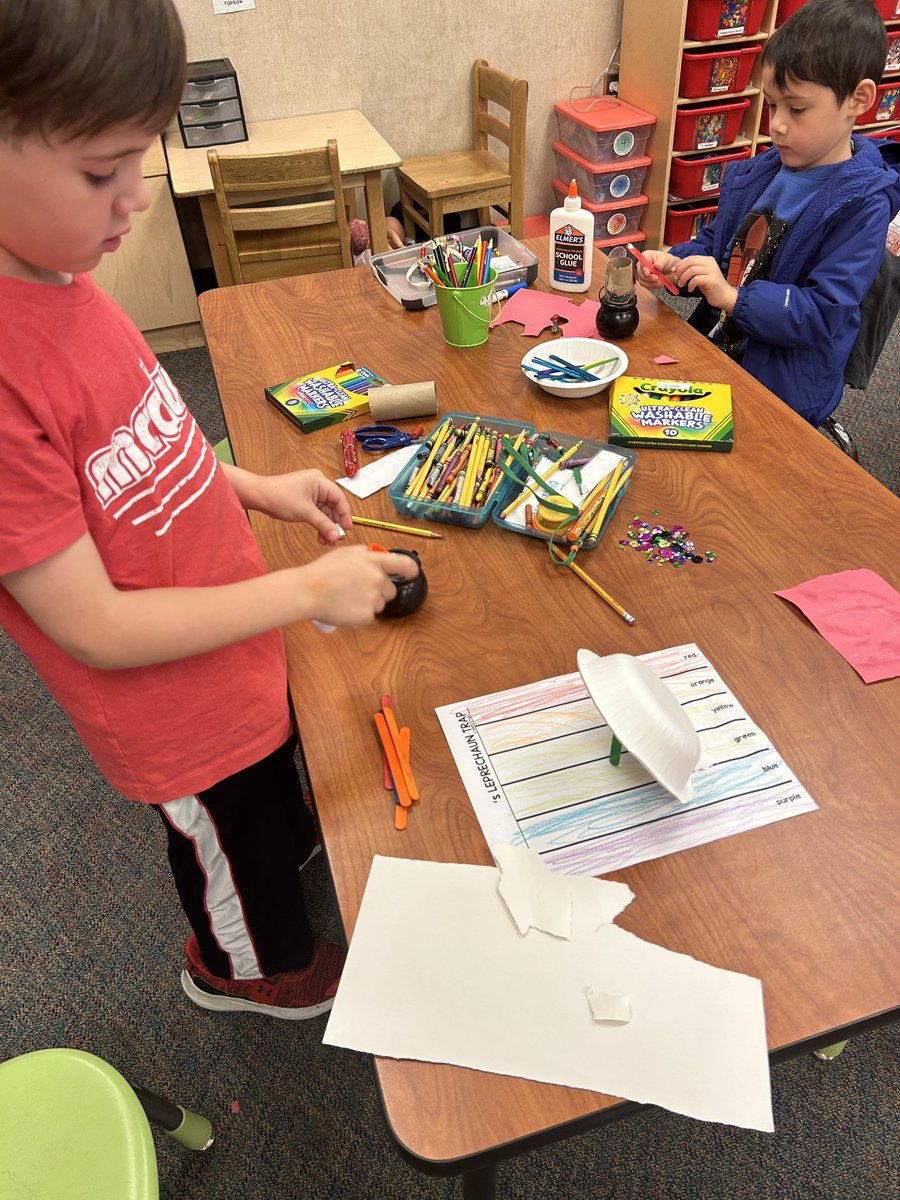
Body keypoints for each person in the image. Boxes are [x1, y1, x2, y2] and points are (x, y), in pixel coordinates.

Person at [0, 0, 419, 1021]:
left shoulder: (64, 277)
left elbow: (146, 443)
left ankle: (275, 855)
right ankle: (245, 969)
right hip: (172, 714)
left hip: (231, 648)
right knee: (231, 844)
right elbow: (92, 626)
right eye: (103, 172)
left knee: (270, 801)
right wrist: (302, 588)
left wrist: (257, 489)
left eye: (137, 161)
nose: (134, 199)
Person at [636, 0, 900, 427]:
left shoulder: (862, 205)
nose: (776, 124)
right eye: (773, 105)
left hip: (781, 388)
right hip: (716, 354)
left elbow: (822, 311)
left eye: (796, 109)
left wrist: (735, 298)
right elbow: (719, 245)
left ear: (859, 99)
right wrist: (677, 263)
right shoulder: (767, 171)